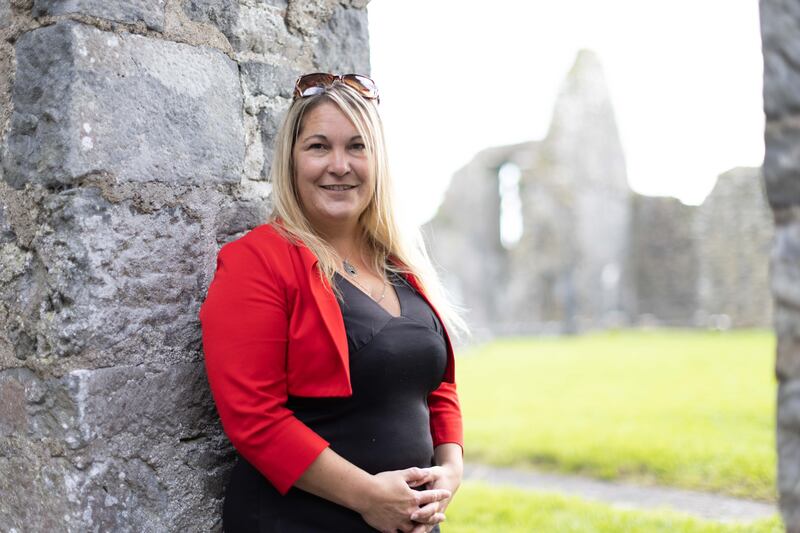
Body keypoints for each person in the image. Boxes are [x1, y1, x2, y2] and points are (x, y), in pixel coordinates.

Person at [199, 72, 467, 533]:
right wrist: (368, 498)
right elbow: (253, 419)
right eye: (319, 146)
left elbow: (436, 387)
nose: (339, 165)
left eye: (356, 147)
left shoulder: (399, 264)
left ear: (377, 160)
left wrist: (450, 471)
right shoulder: (255, 261)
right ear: (291, 159)